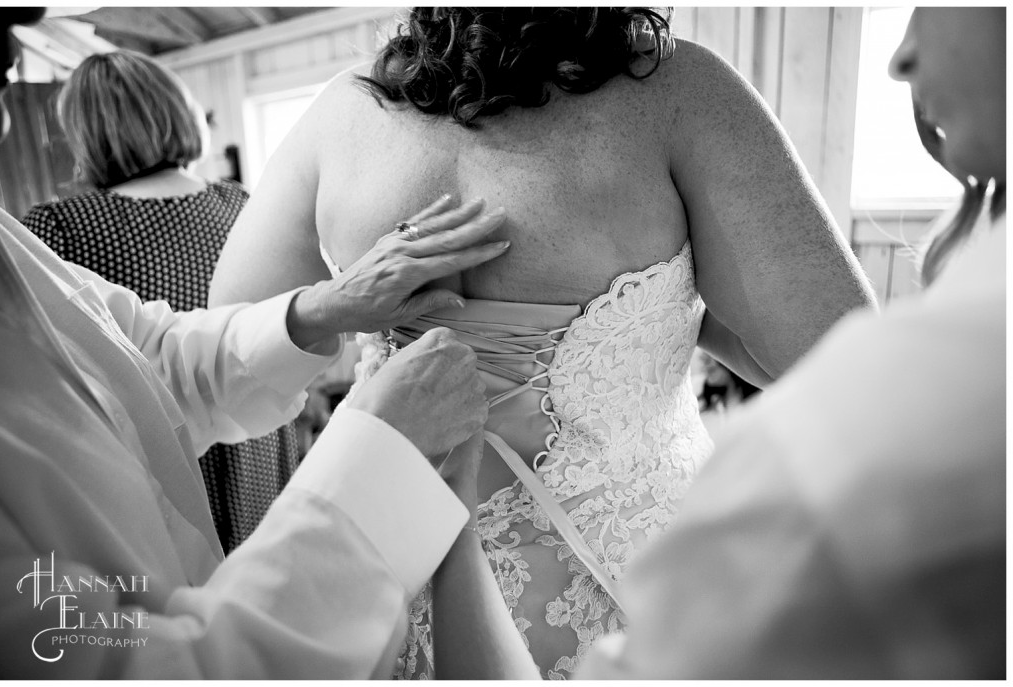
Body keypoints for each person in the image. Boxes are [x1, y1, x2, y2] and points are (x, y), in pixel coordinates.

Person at [208, 7, 878, 677]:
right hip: (625, 575)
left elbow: (235, 335)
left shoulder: (344, 112)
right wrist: (674, 308)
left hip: (381, 561)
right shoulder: (677, 95)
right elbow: (854, 367)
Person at [436, 6, 1006, 679]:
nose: (900, 58)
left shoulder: (860, 443)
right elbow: (826, 349)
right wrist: (663, 314)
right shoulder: (676, 92)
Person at [0, 7, 511, 678]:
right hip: (270, 466)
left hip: (242, 457)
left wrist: (321, 307)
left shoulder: (34, 230)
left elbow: (145, 354)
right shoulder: (230, 199)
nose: (25, 20)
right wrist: (374, 466)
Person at [21, 49, 297, 553]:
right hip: (256, 431)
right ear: (178, 110)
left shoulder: (57, 228)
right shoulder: (239, 203)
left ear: (85, 135)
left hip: (159, 452)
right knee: (266, 592)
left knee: (190, 610)